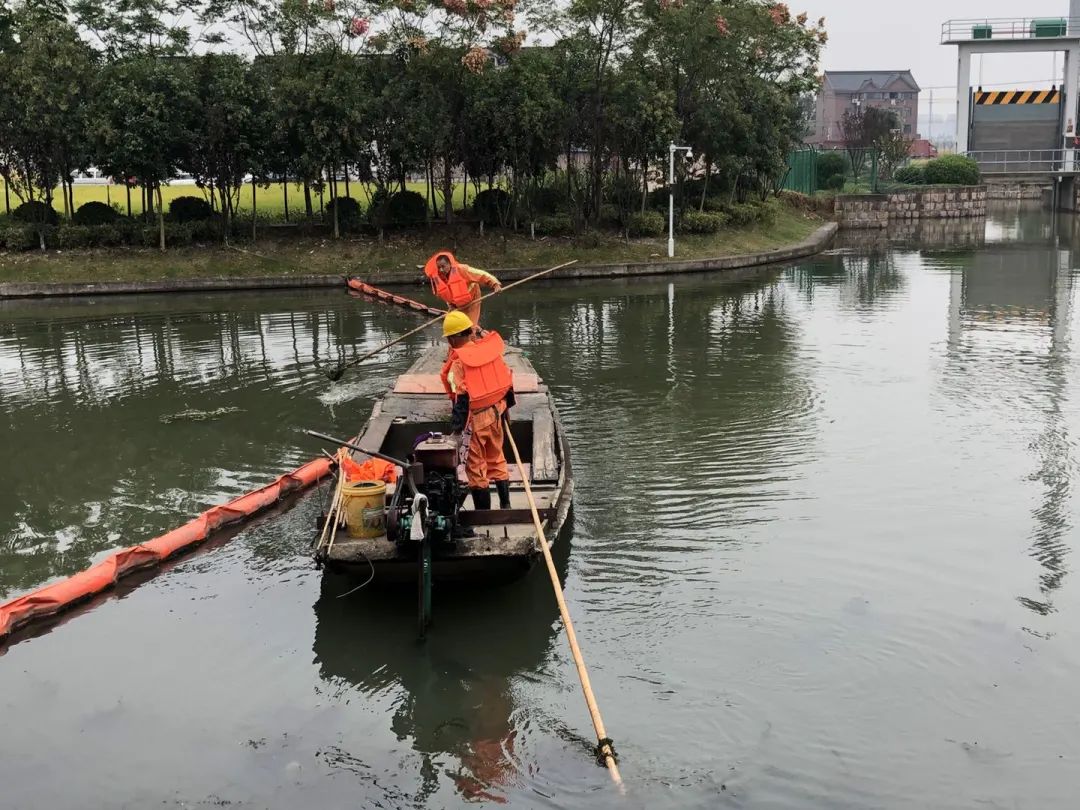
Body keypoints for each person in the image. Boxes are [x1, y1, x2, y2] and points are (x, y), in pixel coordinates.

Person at [441, 310, 514, 510]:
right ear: (471, 332)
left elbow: (461, 399)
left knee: (476, 467)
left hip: (476, 420)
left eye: (448, 339)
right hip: (497, 413)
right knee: (497, 458)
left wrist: (457, 431)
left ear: (453, 339)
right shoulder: (490, 353)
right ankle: (506, 505)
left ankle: (484, 513)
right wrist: (507, 411)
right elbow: (506, 381)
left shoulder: (459, 363)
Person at [424, 251, 501, 328]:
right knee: (454, 326)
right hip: (456, 304)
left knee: (470, 327)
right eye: (439, 268)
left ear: (449, 264)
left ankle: (473, 331)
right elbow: (445, 294)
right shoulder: (439, 278)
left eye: (443, 266)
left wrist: (495, 284)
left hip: (472, 299)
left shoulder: (462, 269)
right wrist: (451, 305)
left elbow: (482, 274)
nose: (441, 270)